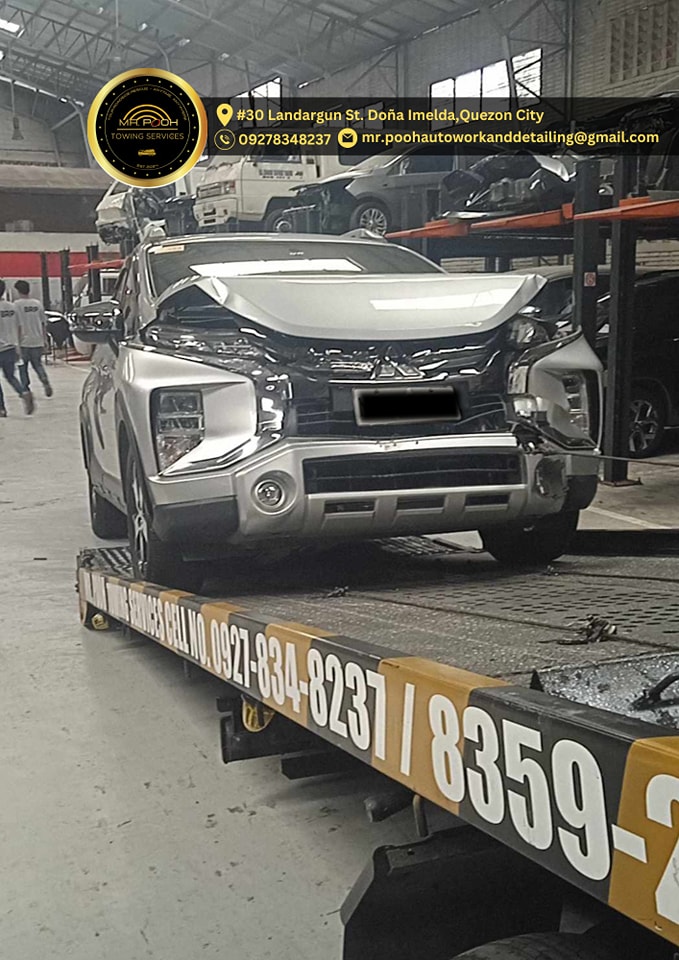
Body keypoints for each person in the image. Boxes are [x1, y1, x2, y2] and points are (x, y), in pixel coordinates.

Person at [13, 280, 53, 398]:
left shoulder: (16, 305)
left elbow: (18, 325)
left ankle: (25, 389)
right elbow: (43, 323)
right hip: (37, 340)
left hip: (24, 341)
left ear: (18, 291)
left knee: (22, 367)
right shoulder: (37, 304)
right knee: (38, 364)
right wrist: (45, 340)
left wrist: (17, 343)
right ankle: (43, 378)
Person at [0, 279, 33, 416]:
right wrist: (18, 345)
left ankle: (1, 409)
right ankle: (23, 392)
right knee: (10, 376)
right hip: (11, 347)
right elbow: (19, 327)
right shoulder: (12, 307)